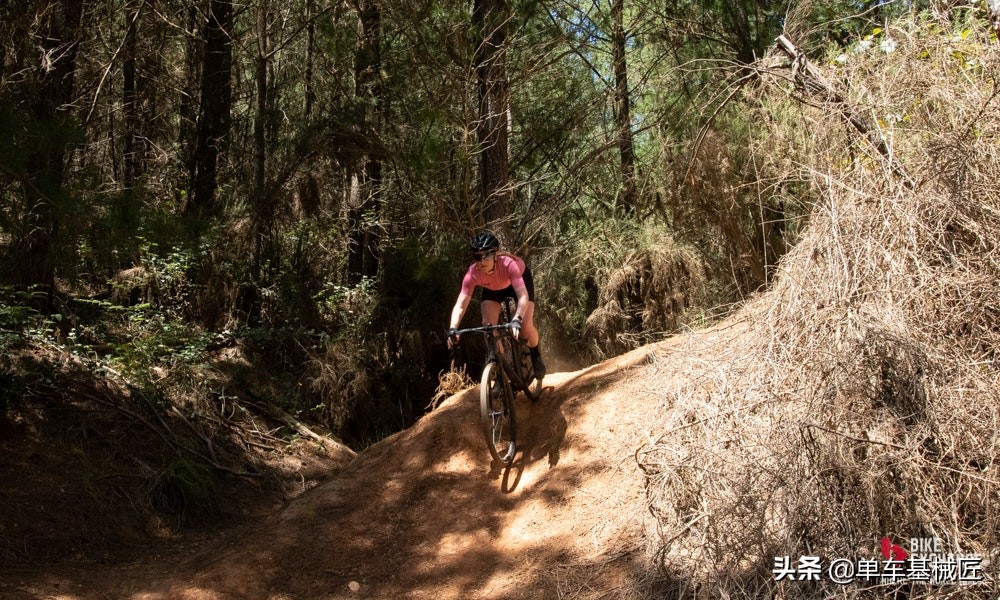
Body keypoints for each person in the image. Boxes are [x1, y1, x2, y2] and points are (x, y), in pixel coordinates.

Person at [448, 231, 546, 380]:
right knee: (488, 327)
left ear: (495, 254)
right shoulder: (473, 273)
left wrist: (517, 319)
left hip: (518, 284)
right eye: (477, 256)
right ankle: (501, 371)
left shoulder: (508, 264)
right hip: (493, 289)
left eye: (487, 255)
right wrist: (453, 327)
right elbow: (460, 305)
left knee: (525, 326)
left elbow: (523, 296)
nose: (482, 261)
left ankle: (535, 355)